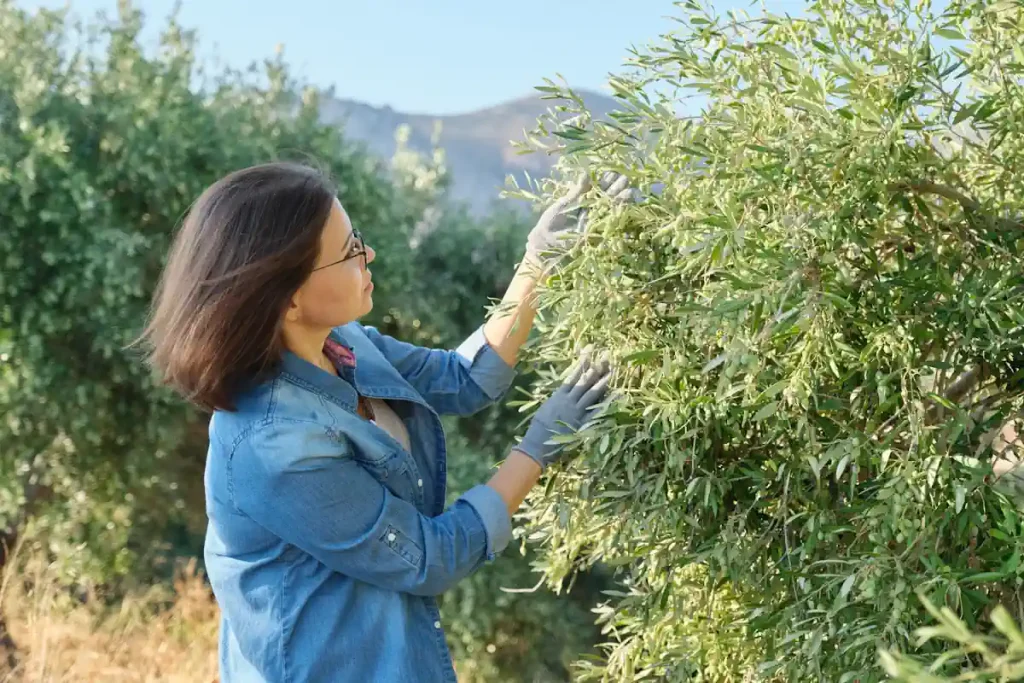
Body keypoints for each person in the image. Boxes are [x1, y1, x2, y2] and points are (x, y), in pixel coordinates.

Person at [139, 161, 630, 682]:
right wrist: (538, 446)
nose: (368, 255)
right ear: (287, 297)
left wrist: (538, 260)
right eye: (349, 252)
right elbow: (429, 558)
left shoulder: (342, 343)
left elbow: (464, 378)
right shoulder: (272, 445)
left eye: (359, 238)